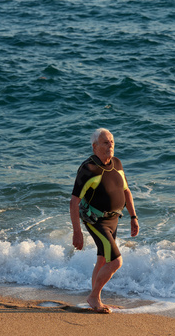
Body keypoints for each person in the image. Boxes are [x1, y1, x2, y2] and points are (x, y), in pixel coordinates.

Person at [70, 128, 139, 314]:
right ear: (95, 147)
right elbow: (74, 201)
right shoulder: (88, 169)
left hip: (114, 219)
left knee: (102, 259)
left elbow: (126, 191)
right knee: (116, 262)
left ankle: (95, 299)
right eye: (105, 142)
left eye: (112, 142)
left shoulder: (117, 163)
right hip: (96, 220)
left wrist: (133, 217)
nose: (110, 146)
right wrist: (77, 232)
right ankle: (93, 296)